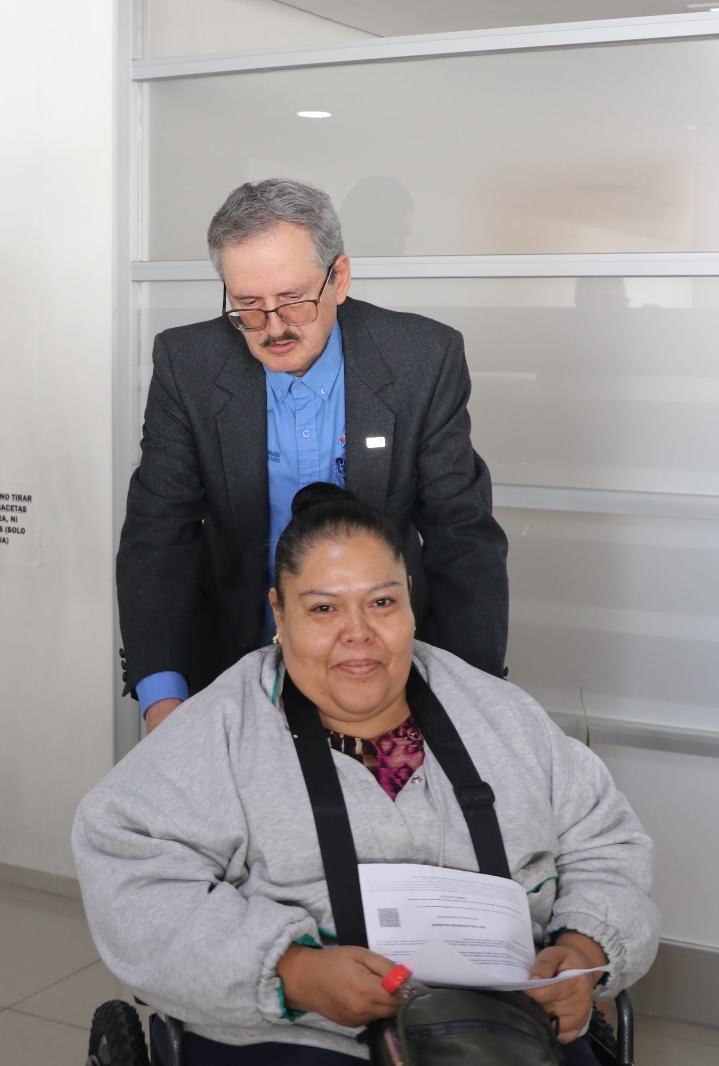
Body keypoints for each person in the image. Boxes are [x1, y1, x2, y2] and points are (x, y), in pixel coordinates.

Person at [77, 484, 657, 1064]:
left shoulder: (504, 717)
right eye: (323, 608)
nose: (358, 632)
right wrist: (295, 972)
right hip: (299, 1036)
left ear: (409, 602)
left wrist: (583, 951)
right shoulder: (219, 732)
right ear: (279, 611)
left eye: (381, 602)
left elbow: (605, 848)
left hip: (508, 1028)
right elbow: (132, 876)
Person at [117, 178, 509, 734]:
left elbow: (462, 538)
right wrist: (162, 699)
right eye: (248, 307)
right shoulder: (188, 364)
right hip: (233, 664)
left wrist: (472, 694)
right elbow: (158, 535)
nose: (273, 327)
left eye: (293, 301)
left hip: (387, 670)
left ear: (338, 278)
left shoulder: (422, 359)